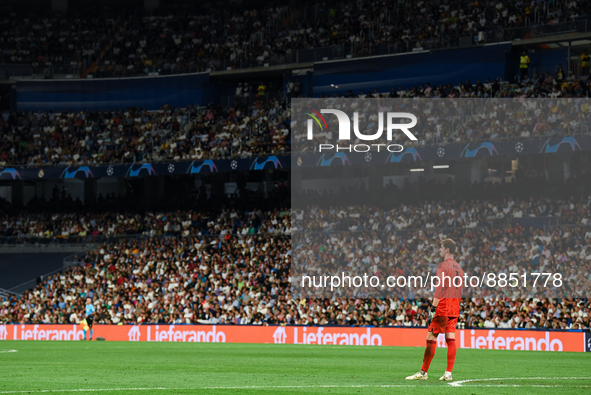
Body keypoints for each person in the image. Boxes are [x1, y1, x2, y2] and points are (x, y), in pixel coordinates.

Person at [406, 239, 464, 382]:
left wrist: (433, 308)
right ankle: (448, 373)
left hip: (443, 306)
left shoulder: (443, 266)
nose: (439, 250)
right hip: (455, 307)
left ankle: (423, 372)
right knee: (451, 339)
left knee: (430, 338)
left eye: (441, 247)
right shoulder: (459, 268)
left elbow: (440, 287)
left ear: (447, 250)